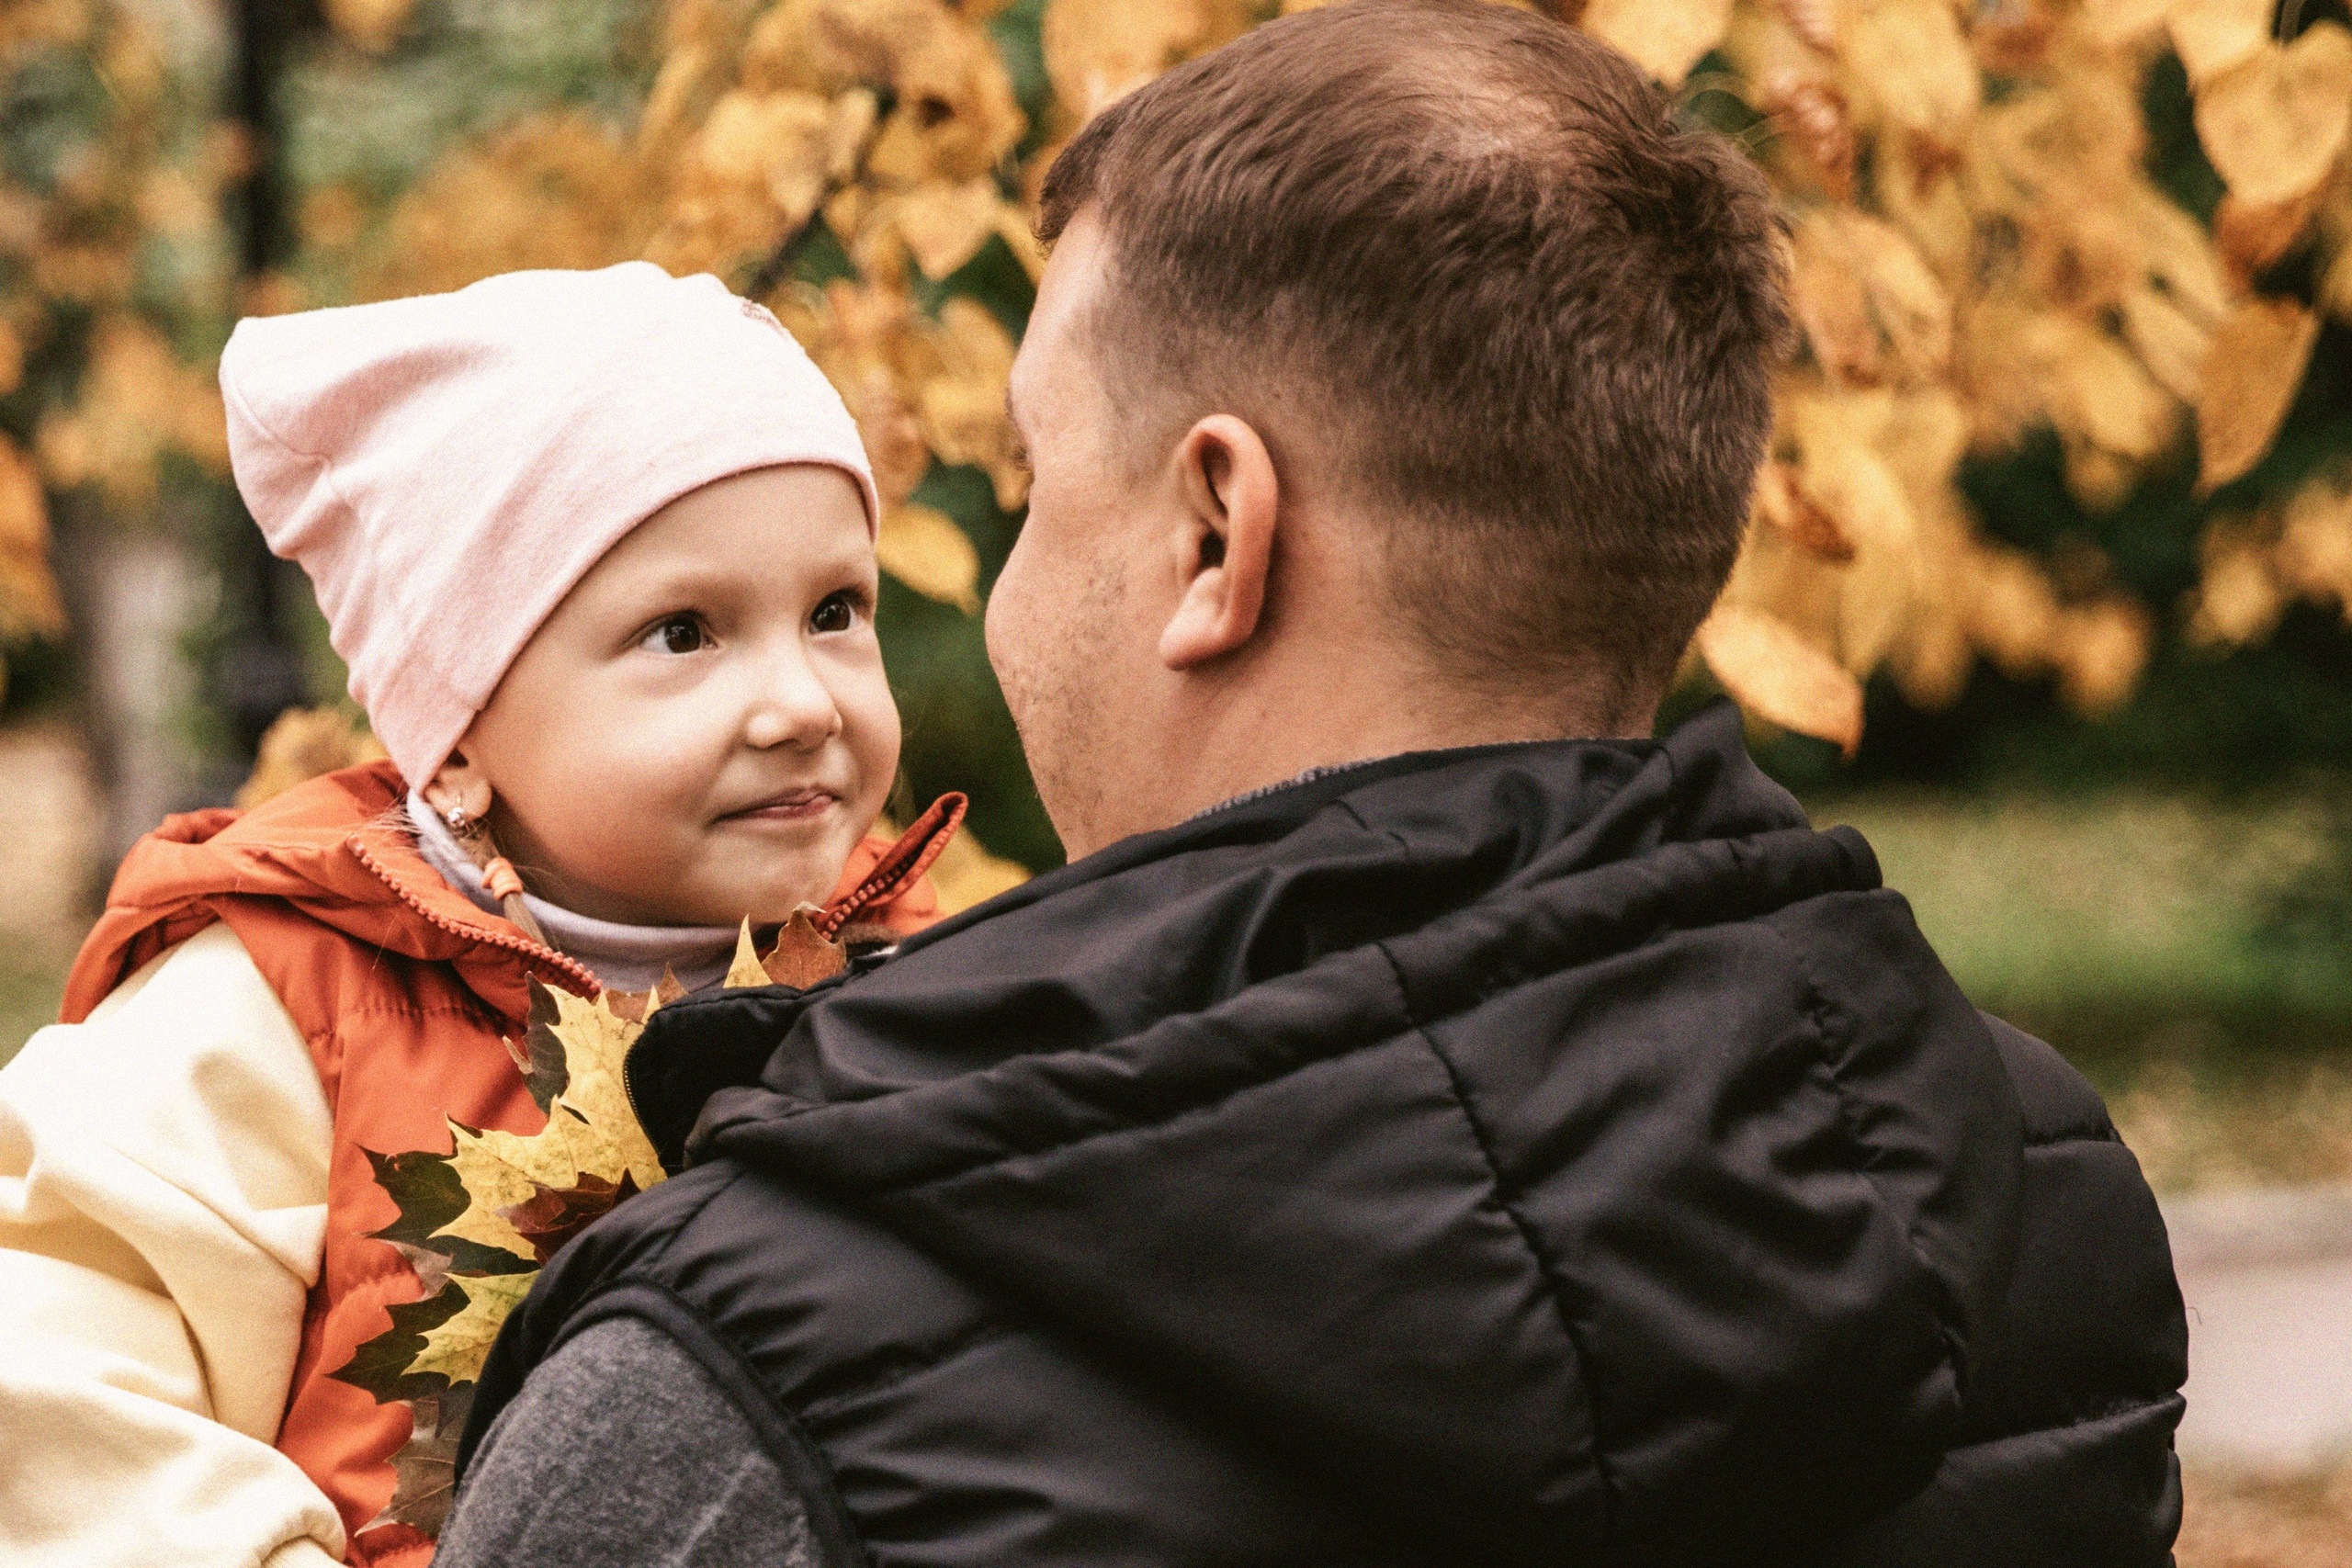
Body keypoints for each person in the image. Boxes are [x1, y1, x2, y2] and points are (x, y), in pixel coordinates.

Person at [441, 4, 2188, 1564]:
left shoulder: (753, 1380)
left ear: (1219, 533)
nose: (1003, 568)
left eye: (1036, 477)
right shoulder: (2033, 1205)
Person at [0, 263, 964, 1568]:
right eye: (684, 633)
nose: (802, 702)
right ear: (454, 744)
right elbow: (55, 1395)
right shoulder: (278, 1008)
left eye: (835, 613)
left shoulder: (921, 984)